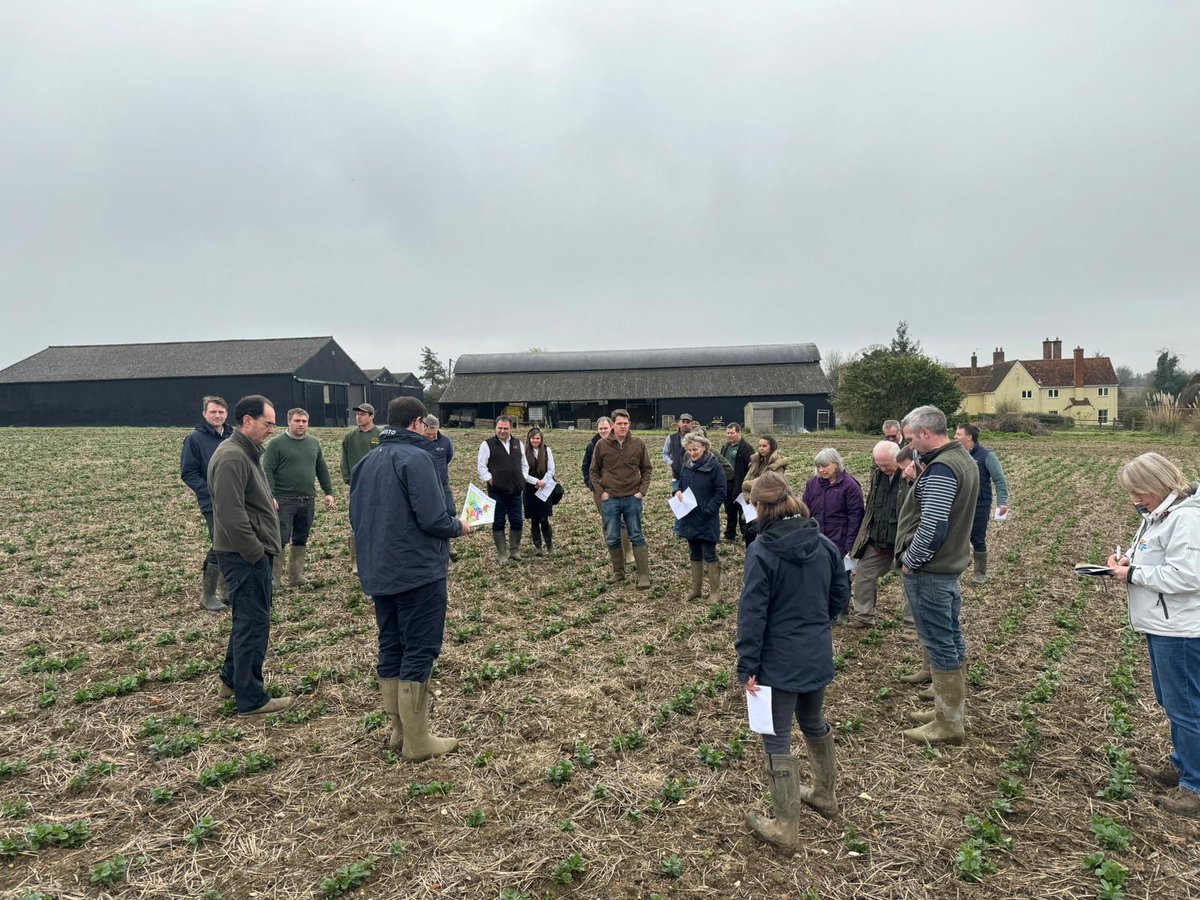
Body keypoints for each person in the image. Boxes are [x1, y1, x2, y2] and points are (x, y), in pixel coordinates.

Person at [351, 396, 473, 761]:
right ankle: (418, 742)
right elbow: (434, 519)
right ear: (418, 423)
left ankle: (398, 732)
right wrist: (460, 526)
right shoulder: (417, 458)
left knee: (391, 646)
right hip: (418, 571)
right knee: (419, 649)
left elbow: (355, 518)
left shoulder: (366, 461)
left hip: (380, 570)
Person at [737, 471, 848, 848]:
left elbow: (752, 615)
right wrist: (817, 627)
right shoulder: (825, 544)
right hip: (816, 653)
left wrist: (748, 666)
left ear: (763, 507)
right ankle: (824, 795)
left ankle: (785, 827)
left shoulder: (762, 551)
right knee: (814, 722)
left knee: (776, 738)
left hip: (777, 662)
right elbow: (839, 599)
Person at [1106, 453, 1200, 817]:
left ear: (1160, 484)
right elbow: (1157, 561)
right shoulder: (1160, 516)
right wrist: (1129, 563)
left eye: (1139, 491)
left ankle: (1194, 786)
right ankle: (1182, 765)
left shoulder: (1186, 519)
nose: (1135, 499)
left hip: (1180, 628)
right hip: (1163, 624)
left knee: (1186, 706)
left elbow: (1188, 576)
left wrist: (1132, 576)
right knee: (1173, 701)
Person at [895, 405, 979, 745]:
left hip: (931, 571)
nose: (910, 444)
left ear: (927, 434)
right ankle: (948, 710)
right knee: (950, 635)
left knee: (939, 640)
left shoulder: (943, 469)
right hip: (948, 566)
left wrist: (912, 560)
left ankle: (948, 724)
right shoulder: (963, 460)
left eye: (912, 438)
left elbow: (933, 525)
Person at [209, 395, 293, 716]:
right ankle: (251, 698)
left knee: (246, 620)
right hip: (243, 556)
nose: (272, 429)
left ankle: (231, 680)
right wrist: (256, 553)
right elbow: (230, 516)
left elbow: (246, 500)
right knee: (253, 624)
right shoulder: (233, 457)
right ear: (247, 421)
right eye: (268, 423)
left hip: (247, 554)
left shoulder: (245, 453)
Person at [262, 408, 335, 588]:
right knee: (280, 538)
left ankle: (296, 576)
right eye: (297, 421)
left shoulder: (313, 443)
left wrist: (328, 492)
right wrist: (270, 495)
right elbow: (267, 470)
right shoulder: (276, 444)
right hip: (284, 500)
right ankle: (274, 579)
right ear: (289, 422)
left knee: (301, 537)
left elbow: (321, 468)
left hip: (307, 499)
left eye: (304, 421)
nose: (301, 424)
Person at [589, 409, 654, 588]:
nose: (623, 427)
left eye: (626, 423)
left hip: (632, 498)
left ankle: (644, 576)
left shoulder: (638, 444)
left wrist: (642, 491)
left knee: (636, 535)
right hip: (610, 499)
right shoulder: (601, 445)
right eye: (619, 424)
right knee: (612, 537)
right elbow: (593, 471)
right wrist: (602, 492)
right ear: (613, 425)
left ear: (629, 424)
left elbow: (647, 469)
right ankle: (619, 573)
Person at [181, 396, 234, 611]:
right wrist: (210, 491)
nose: (217, 415)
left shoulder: (233, 436)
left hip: (236, 500)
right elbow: (188, 473)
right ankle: (208, 595)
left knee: (235, 542)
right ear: (204, 414)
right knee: (220, 543)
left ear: (226, 414)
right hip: (213, 503)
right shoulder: (194, 439)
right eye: (213, 412)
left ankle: (228, 591)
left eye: (221, 412)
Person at [802, 448, 865, 623]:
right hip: (817, 539)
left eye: (825, 466)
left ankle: (841, 612)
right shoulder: (812, 484)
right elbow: (805, 510)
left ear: (836, 464)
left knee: (840, 578)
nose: (821, 470)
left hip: (840, 539)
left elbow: (856, 516)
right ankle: (822, 611)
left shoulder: (850, 486)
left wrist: (850, 544)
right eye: (818, 467)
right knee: (818, 576)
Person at [847, 441, 904, 629]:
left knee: (911, 582)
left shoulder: (910, 476)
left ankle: (912, 626)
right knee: (864, 574)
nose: (883, 468)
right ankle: (863, 617)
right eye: (879, 464)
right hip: (878, 540)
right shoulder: (877, 474)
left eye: (887, 465)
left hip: (902, 541)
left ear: (898, 458)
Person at [955, 423, 1010, 585]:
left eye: (958, 434)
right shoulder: (956, 455)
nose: (955, 437)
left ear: (969, 437)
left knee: (977, 538)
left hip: (980, 504)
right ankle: (959, 564)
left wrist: (1002, 502)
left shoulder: (986, 455)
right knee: (958, 536)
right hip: (960, 503)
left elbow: (999, 480)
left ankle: (980, 573)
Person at [675, 432, 727, 601]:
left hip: (706, 518)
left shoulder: (715, 466)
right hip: (689, 516)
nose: (692, 453)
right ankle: (696, 590)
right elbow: (681, 485)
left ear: (704, 448)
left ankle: (714, 592)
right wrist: (677, 492)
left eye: (695, 449)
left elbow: (721, 492)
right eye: (689, 449)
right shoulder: (687, 465)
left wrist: (708, 510)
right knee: (694, 553)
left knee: (710, 554)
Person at [477, 416, 537, 562]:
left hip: (516, 491)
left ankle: (514, 551)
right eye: (499, 428)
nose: (502, 431)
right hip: (496, 492)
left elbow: (524, 464)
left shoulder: (518, 444)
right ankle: (502, 554)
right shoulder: (487, 444)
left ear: (511, 428)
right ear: (496, 428)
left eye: (505, 428)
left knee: (517, 521)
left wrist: (521, 478)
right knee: (498, 522)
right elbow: (481, 466)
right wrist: (491, 480)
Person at [585, 417, 634, 565]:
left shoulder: (620, 442)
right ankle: (612, 551)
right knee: (607, 522)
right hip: (600, 490)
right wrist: (591, 485)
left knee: (622, 521)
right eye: (600, 429)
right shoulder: (592, 445)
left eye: (605, 428)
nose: (603, 431)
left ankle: (628, 551)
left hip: (618, 488)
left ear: (611, 427)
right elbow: (586, 467)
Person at [340, 403, 381, 574]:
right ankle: (357, 561)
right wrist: (349, 479)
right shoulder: (350, 437)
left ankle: (378, 557)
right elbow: (344, 460)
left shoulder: (380, 435)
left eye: (363, 414)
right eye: (357, 414)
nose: (359, 417)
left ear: (372, 416)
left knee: (379, 520)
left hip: (378, 486)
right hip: (357, 487)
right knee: (356, 521)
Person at [740, 435, 789, 546]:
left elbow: (769, 486)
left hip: (767, 509)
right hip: (751, 506)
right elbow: (745, 482)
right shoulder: (756, 462)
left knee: (763, 539)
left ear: (771, 447)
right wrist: (750, 495)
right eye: (759, 446)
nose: (761, 448)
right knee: (749, 536)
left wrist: (750, 485)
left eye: (764, 446)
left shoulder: (777, 466)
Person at [422, 415, 458, 561]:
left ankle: (447, 543)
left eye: (434, 434)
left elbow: (448, 457)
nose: (431, 437)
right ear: (423, 429)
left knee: (450, 510)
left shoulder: (445, 441)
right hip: (424, 486)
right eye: (428, 434)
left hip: (442, 483)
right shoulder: (417, 442)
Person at [523, 426, 557, 556]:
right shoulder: (524, 452)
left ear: (541, 439)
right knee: (534, 519)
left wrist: (543, 481)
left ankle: (549, 546)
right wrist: (535, 482)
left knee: (544, 518)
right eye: (533, 438)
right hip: (530, 489)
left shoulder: (547, 450)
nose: (535, 440)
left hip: (545, 488)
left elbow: (551, 469)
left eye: (538, 438)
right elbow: (523, 472)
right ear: (529, 439)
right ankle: (538, 547)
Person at [721, 423, 754, 541]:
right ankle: (730, 535)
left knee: (744, 511)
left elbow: (751, 468)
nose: (729, 435)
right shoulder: (725, 447)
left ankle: (746, 535)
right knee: (730, 510)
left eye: (732, 433)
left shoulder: (746, 448)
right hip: (728, 484)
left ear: (739, 433)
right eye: (728, 433)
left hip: (740, 484)